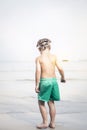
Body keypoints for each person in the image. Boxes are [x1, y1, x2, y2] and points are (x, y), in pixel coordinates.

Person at [35, 38, 66, 129]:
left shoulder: (39, 58)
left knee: (41, 102)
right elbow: (60, 68)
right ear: (49, 47)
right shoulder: (54, 57)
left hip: (45, 82)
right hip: (53, 81)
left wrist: (37, 85)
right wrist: (63, 77)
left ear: (40, 48)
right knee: (51, 103)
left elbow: (38, 72)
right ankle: (52, 123)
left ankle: (45, 122)